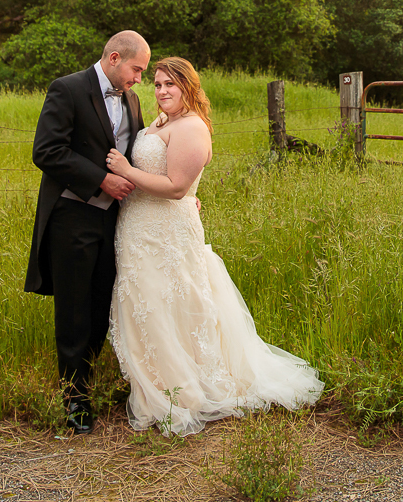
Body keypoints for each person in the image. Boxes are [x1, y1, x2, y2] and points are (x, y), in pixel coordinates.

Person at [105, 57, 323, 436]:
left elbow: (175, 188)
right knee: (145, 304)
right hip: (137, 228)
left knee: (170, 302)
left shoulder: (192, 127)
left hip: (167, 231)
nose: (161, 91)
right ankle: (155, 385)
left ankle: (184, 390)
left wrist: (126, 171)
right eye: (156, 84)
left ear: (189, 86)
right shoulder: (161, 122)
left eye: (170, 84)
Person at [27, 31, 150, 434]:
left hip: (115, 220)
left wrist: (179, 197)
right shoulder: (67, 89)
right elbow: (46, 150)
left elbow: (140, 155)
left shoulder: (131, 100)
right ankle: (75, 400)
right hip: (72, 217)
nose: (139, 79)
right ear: (114, 58)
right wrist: (101, 181)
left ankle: (90, 381)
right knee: (74, 309)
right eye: (136, 70)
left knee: (103, 304)